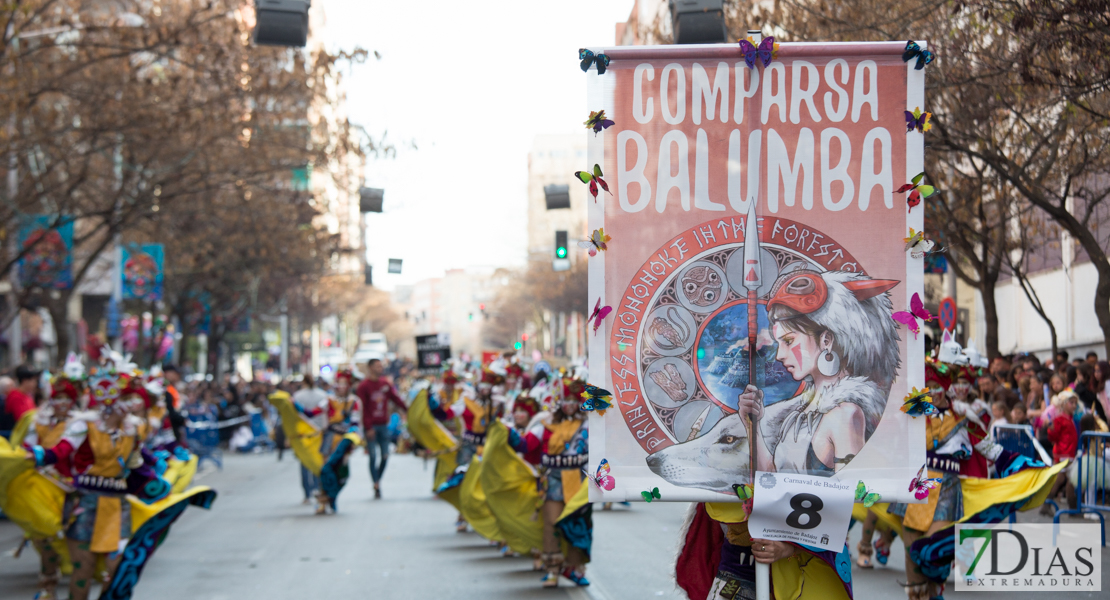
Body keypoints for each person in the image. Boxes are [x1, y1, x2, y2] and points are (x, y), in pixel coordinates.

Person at [736, 270, 899, 476]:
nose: (779, 355)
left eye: (788, 341)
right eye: (779, 343)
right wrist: (753, 426)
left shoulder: (846, 415)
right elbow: (772, 480)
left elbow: (847, 495)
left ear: (826, 341)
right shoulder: (802, 412)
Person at [508, 375, 591, 588]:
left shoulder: (589, 425)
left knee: (577, 525)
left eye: (574, 401)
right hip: (553, 482)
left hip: (579, 482)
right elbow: (526, 445)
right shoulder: (545, 424)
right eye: (566, 401)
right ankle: (552, 569)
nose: (570, 405)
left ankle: (574, 567)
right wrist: (506, 432)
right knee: (551, 524)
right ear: (559, 402)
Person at [356, 358, 406, 499]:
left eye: (381, 366)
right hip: (371, 426)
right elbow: (363, 408)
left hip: (384, 425)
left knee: (385, 455)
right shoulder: (363, 386)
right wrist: (368, 427)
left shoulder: (385, 384)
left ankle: (378, 479)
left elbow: (395, 399)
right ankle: (376, 483)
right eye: (377, 366)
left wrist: (408, 409)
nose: (380, 368)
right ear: (370, 367)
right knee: (372, 456)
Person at [292, 374, 327, 503]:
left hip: (304, 433)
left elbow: (300, 415)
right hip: (318, 432)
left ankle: (307, 493)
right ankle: (318, 489)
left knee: (305, 462)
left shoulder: (297, 397)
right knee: (317, 462)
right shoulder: (323, 395)